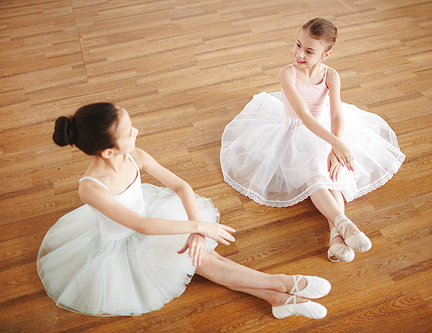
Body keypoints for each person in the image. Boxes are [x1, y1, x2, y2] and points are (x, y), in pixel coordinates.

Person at [37, 103, 331, 319]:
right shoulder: (91, 188)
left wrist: (197, 227)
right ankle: (283, 283)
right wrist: (199, 229)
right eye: (128, 132)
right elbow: (142, 225)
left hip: (155, 219)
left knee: (204, 255)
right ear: (108, 152)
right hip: (124, 242)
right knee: (203, 260)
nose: (136, 131)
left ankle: (277, 298)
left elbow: (181, 187)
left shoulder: (135, 155)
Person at [220, 18, 405, 263]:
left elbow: (337, 115)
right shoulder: (287, 74)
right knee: (317, 177)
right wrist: (337, 144)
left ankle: (336, 239)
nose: (299, 54)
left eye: (308, 51)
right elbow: (304, 117)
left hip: (326, 131)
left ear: (326, 54)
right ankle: (345, 225)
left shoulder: (332, 76)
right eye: (298, 45)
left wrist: (334, 147)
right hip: (293, 132)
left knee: (332, 176)